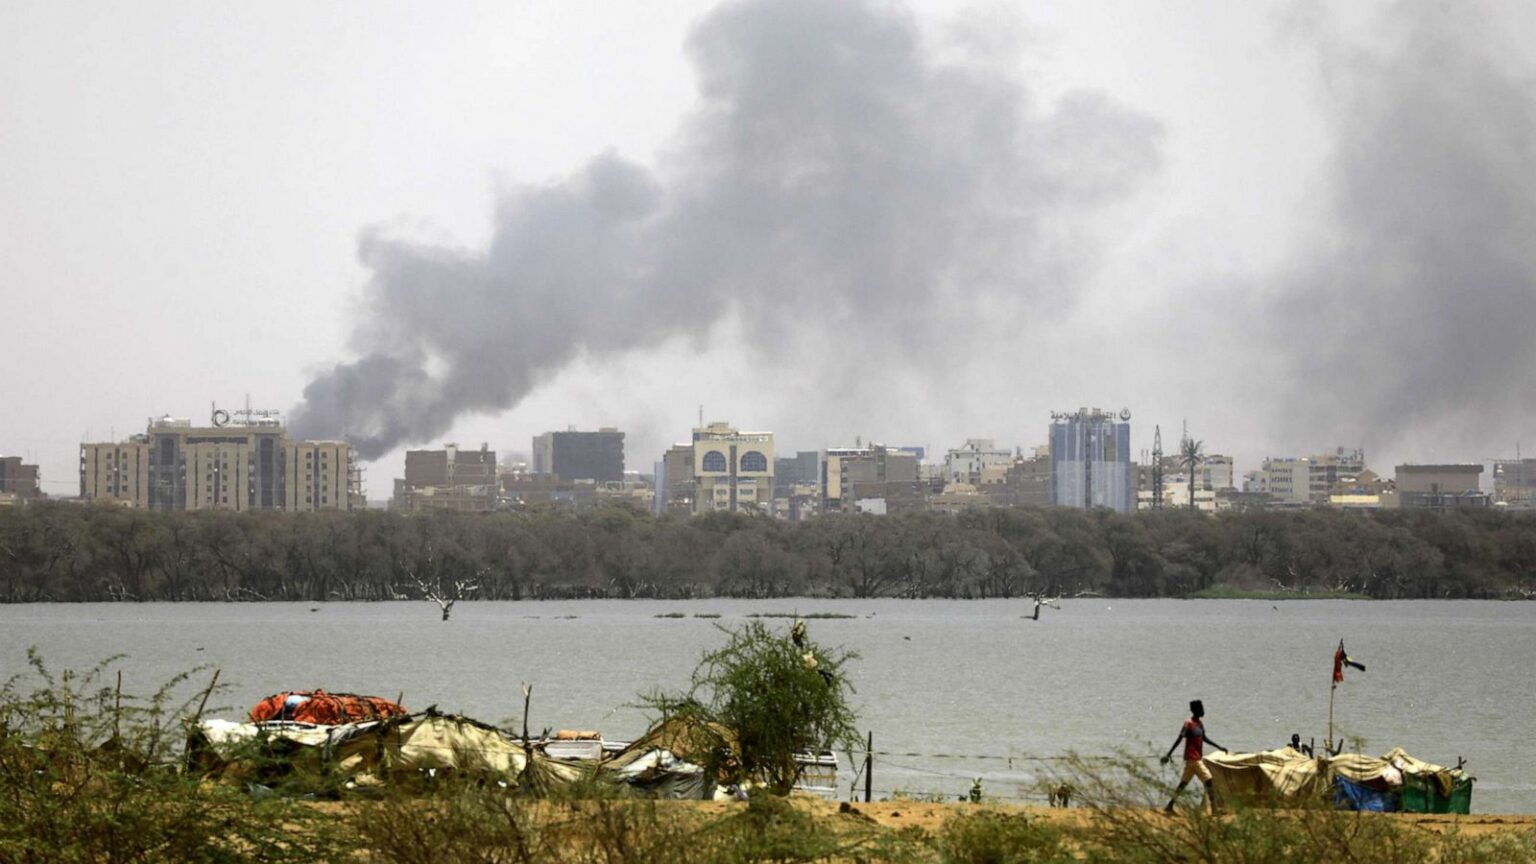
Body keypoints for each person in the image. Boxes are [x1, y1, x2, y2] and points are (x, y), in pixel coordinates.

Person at [1160, 699, 1226, 813]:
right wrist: (1168, 754)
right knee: (1209, 779)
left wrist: (1219, 747)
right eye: (1200, 708)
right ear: (1195, 710)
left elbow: (1205, 738)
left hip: (1195, 759)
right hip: (1193, 758)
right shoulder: (1188, 723)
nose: (1203, 710)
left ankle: (1169, 805)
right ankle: (1214, 810)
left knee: (1183, 783)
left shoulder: (1200, 724)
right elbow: (1180, 738)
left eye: (1202, 708)